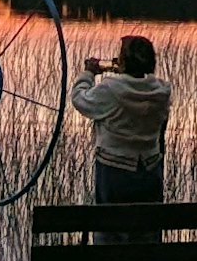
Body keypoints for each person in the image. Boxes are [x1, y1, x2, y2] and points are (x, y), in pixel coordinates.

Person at [72, 35, 171, 204]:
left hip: (114, 172)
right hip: (150, 171)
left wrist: (88, 73)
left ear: (124, 60)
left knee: (110, 226)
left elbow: (80, 99)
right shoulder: (162, 91)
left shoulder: (112, 89)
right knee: (147, 227)